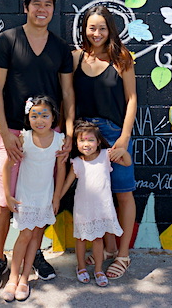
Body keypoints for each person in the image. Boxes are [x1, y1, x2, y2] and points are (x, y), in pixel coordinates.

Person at [0, 0, 74, 292]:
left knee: (41, 198)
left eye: (47, 4)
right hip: (13, 132)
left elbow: (67, 93)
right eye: (36, 3)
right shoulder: (7, 41)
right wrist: (4, 134)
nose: (42, 9)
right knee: (4, 201)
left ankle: (33, 256)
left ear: (53, 10)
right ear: (26, 7)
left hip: (50, 136)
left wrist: (69, 133)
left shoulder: (61, 48)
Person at [72, 4, 137, 279]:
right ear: (84, 29)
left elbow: (132, 99)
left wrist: (123, 139)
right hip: (85, 137)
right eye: (91, 27)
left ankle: (122, 255)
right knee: (95, 195)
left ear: (109, 29)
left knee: (123, 193)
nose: (96, 33)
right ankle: (107, 250)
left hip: (113, 134)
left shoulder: (121, 57)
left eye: (102, 27)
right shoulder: (76, 58)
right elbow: (68, 99)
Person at [0, 96, 66, 301]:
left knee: (35, 239)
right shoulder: (24, 138)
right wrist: (8, 195)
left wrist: (56, 198)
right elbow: (7, 166)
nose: (40, 120)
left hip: (45, 197)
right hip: (26, 197)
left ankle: (24, 279)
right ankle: (12, 278)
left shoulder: (59, 139)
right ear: (28, 118)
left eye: (45, 115)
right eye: (34, 115)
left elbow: (61, 171)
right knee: (25, 237)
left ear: (53, 117)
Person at [59, 120, 131, 287]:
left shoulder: (106, 156)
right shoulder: (76, 162)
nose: (86, 144)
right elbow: (67, 184)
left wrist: (122, 151)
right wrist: (56, 199)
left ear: (98, 142)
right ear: (76, 143)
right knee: (81, 239)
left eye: (90, 140)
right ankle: (82, 267)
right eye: (82, 140)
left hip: (102, 208)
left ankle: (98, 269)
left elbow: (127, 162)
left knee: (98, 239)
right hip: (83, 209)